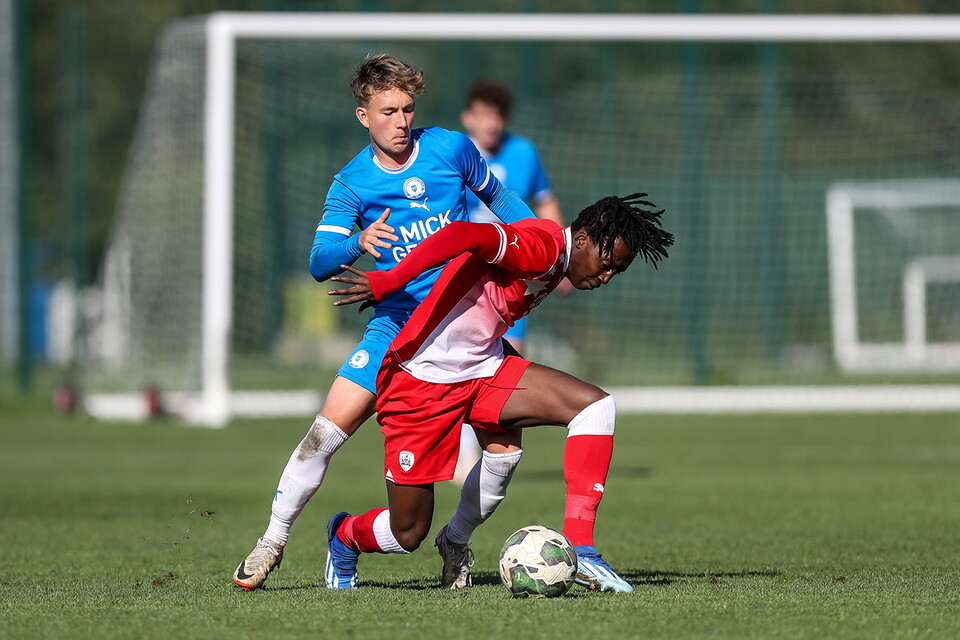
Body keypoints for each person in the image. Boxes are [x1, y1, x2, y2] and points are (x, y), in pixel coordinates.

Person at [232, 53, 539, 591]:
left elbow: (502, 199)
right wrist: (358, 242)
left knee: (505, 451)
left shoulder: (449, 148)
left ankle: (458, 539)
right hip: (397, 328)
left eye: (407, 109)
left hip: (466, 323)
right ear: (363, 115)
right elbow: (319, 260)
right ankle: (271, 542)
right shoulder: (352, 183)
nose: (400, 122)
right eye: (388, 111)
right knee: (323, 435)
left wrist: (538, 241)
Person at [324, 193, 674, 593]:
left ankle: (566, 547)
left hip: (483, 369)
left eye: (617, 272)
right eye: (607, 263)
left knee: (592, 409)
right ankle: (346, 534)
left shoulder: (556, 256)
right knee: (407, 532)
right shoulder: (542, 250)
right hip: (421, 380)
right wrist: (387, 280)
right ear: (582, 240)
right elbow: (461, 234)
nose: (606, 276)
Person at [452, 78, 569, 484]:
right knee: (466, 360)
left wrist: (560, 256)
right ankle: (462, 457)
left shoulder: (524, 152)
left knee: (507, 357)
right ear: (468, 117)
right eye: (482, 115)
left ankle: (493, 453)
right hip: (465, 278)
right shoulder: (456, 153)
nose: (490, 123)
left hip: (514, 276)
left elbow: (545, 201)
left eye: (496, 115)